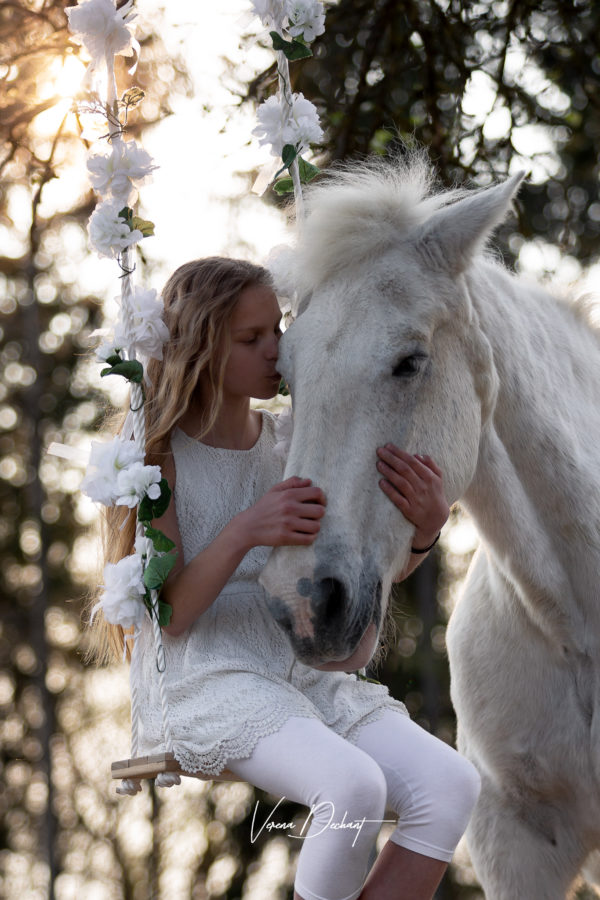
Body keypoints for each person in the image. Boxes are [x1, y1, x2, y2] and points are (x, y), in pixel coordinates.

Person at [95, 257, 480, 900]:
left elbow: (361, 580)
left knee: (449, 784)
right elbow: (170, 618)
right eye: (251, 339)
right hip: (211, 674)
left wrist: (423, 532)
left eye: (277, 329)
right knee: (352, 787)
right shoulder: (155, 458)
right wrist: (248, 528)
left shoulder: (294, 441)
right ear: (201, 348)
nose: (276, 350)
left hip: (305, 674)